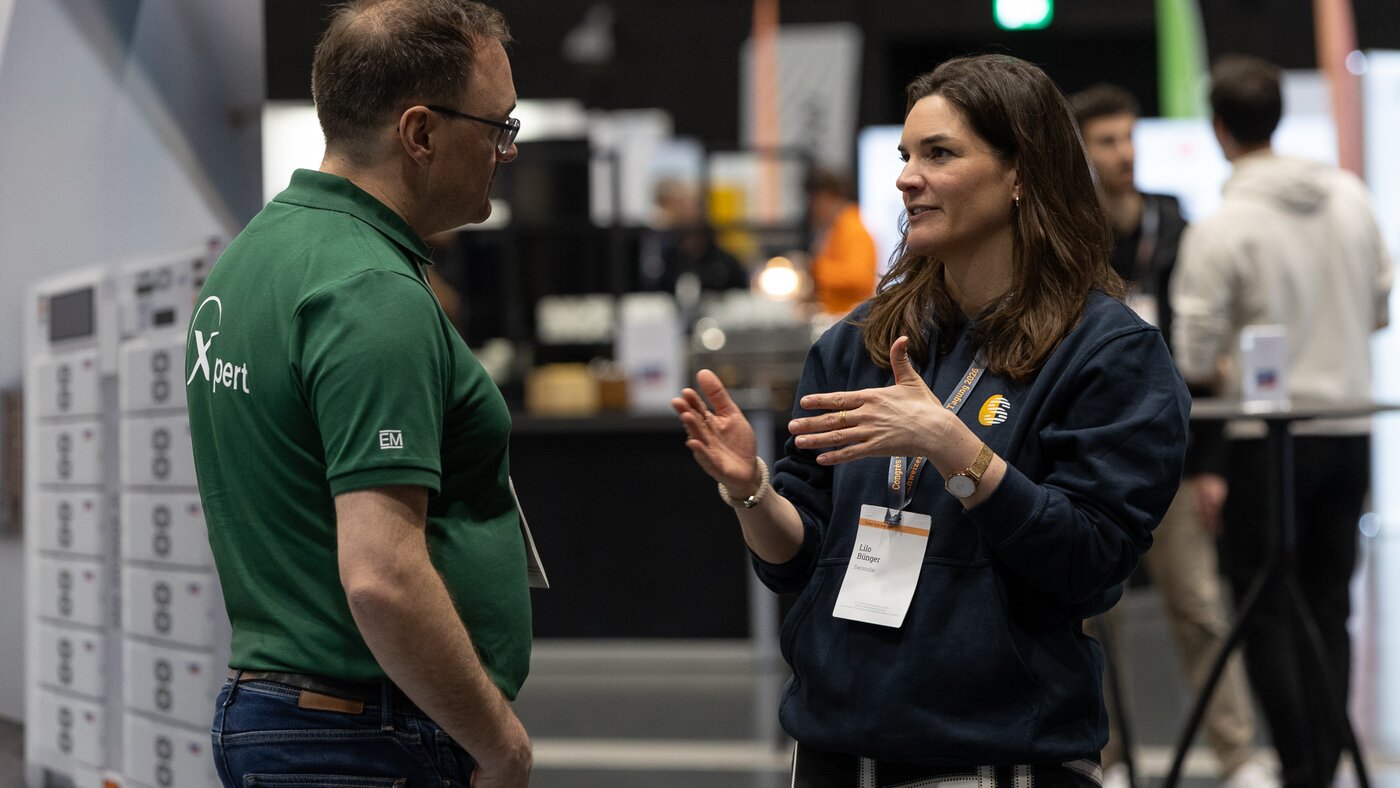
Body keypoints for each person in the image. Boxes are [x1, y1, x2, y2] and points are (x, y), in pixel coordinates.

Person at [673, 54, 1189, 786]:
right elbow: (799, 559)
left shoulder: (1107, 352)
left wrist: (953, 447)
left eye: (939, 154)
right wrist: (750, 490)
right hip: (833, 749)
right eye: (905, 156)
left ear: (1021, 174)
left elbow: (1088, 563)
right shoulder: (858, 344)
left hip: (998, 757)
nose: (906, 178)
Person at [184, 2, 533, 786]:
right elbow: (382, 576)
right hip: (364, 735)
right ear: (420, 133)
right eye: (498, 126)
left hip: (292, 719)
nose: (507, 150)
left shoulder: (255, 256)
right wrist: (500, 744)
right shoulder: (369, 289)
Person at [1171, 54, 1393, 788]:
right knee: (1329, 605)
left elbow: (1193, 355)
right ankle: (1322, 766)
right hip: (1349, 425)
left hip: (1263, 441)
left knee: (1263, 604)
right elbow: (1379, 308)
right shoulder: (1350, 197)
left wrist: (1234, 358)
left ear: (1220, 129)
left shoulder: (1223, 226)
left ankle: (1302, 767)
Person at [1070, 85, 1270, 788]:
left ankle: (1239, 757)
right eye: (1107, 141)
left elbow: (1205, 358)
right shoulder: (1068, 236)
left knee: (1200, 610)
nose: (1124, 153)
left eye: (1129, 137)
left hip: (1175, 460)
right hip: (1094, 459)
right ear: (1080, 151)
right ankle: (1109, 759)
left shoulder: (1175, 225)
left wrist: (1212, 464)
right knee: (1096, 617)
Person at [805, 168, 877, 316]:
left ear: (826, 198)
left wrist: (816, 269)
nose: (813, 209)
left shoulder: (852, 228)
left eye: (815, 202)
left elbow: (860, 277)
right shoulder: (833, 227)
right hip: (838, 315)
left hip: (851, 318)